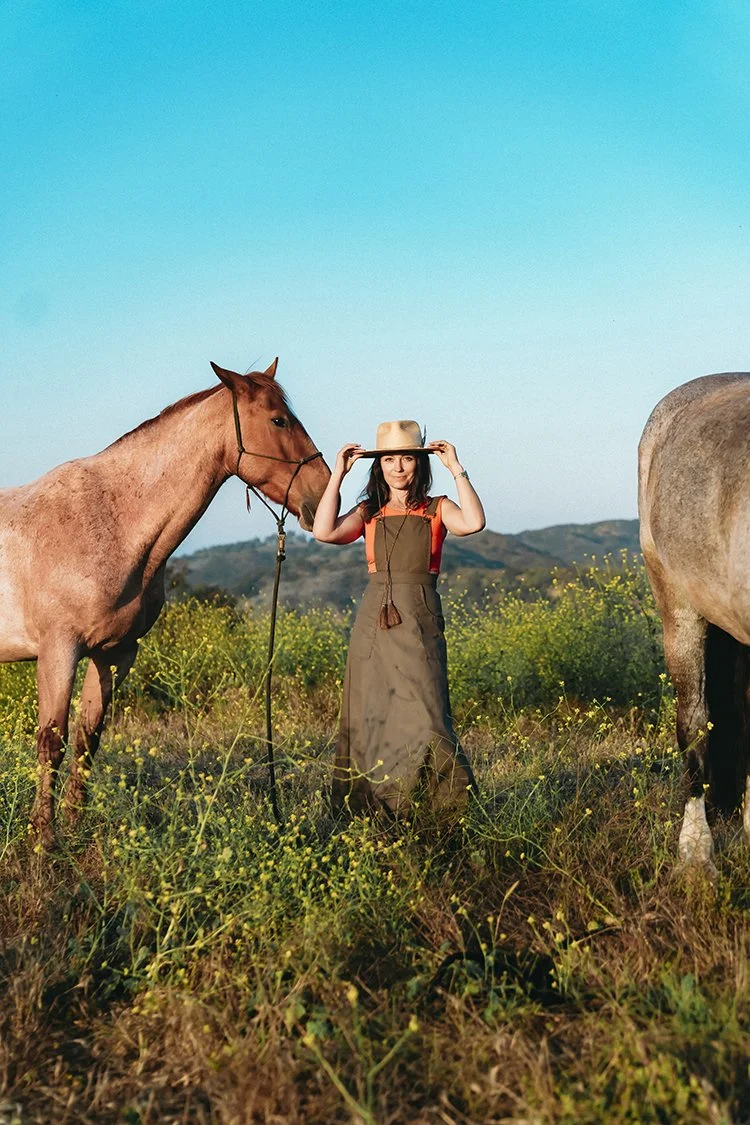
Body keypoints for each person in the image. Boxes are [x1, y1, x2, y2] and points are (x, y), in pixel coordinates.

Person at [313, 419, 486, 817]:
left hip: (420, 620)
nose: (397, 467)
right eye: (389, 459)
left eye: (406, 458)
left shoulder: (437, 508)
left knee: (429, 716)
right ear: (379, 466)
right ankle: (375, 809)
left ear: (418, 463)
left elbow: (474, 523)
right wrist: (337, 474)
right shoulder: (368, 513)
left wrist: (456, 468)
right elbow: (324, 531)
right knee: (372, 714)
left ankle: (446, 810)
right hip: (373, 624)